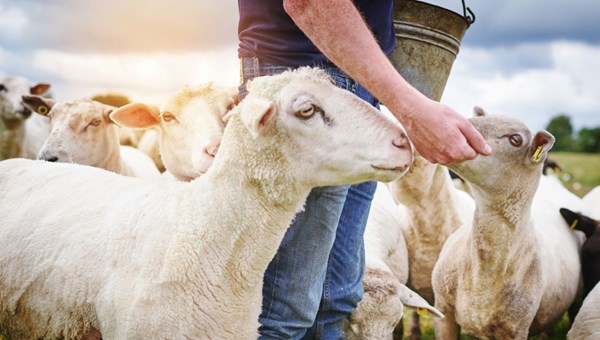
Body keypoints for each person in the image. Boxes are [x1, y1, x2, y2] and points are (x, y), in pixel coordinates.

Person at [237, 1, 492, 338]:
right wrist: (410, 108)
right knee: (284, 311)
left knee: (336, 300)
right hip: (301, 92)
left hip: (360, 86)